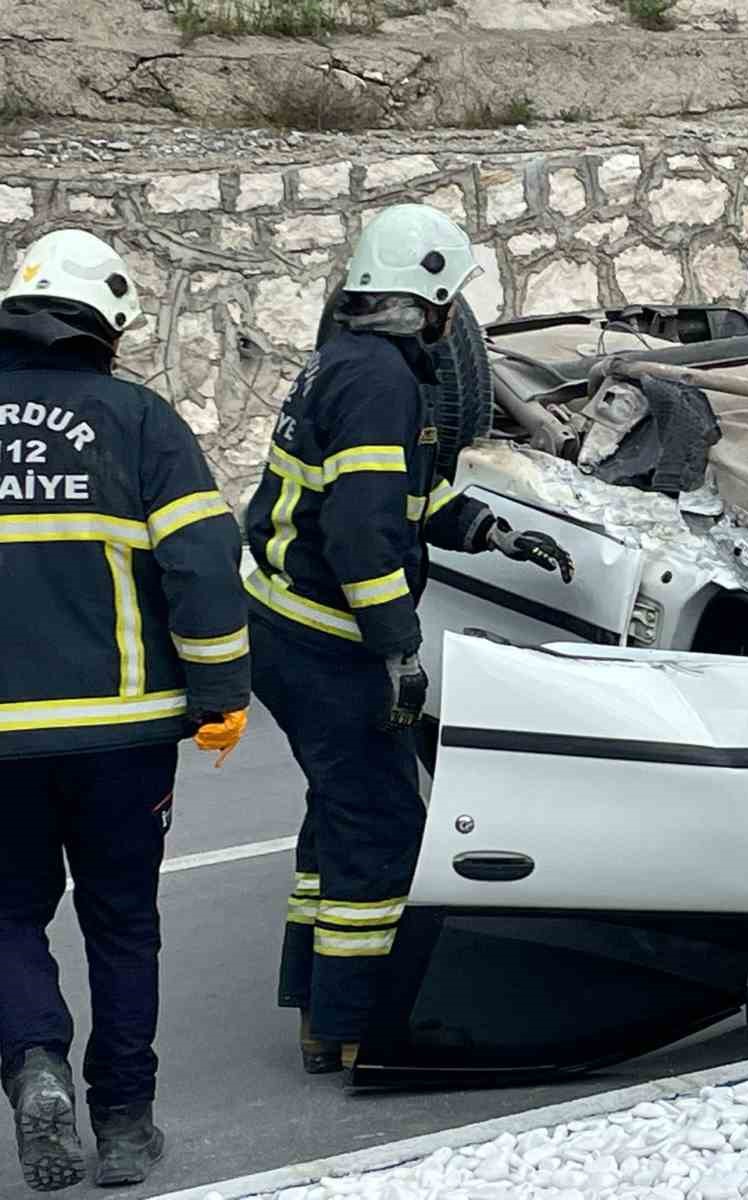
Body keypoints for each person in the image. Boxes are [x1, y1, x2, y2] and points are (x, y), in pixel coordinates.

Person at [242, 203, 574, 1076]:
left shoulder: (351, 367)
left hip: (290, 631)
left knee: (342, 811)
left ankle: (320, 1012)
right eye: (452, 298)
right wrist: (398, 648)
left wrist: (492, 533)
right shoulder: (380, 384)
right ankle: (358, 1027)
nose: (456, 315)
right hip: (328, 644)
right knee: (384, 828)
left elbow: (398, 501)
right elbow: (358, 534)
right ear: (425, 299)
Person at [0, 231, 250, 1191]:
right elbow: (199, 562)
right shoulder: (138, 419)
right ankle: (127, 1120)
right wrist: (222, 695)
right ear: (105, 328)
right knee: (122, 922)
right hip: (122, 732)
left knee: (8, 915)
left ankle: (32, 1063)